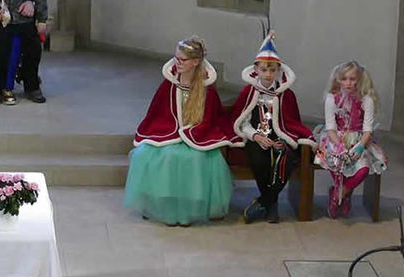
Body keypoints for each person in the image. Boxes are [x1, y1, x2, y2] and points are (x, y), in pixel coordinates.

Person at [123, 36, 236, 226]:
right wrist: (173, 133)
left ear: (195, 62)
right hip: (168, 134)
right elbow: (157, 114)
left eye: (182, 60)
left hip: (197, 137)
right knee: (158, 156)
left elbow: (209, 119)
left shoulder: (207, 90)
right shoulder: (169, 84)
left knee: (192, 159)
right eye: (176, 58)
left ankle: (186, 210)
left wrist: (190, 134)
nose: (178, 63)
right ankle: (161, 206)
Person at [230, 32, 314, 224]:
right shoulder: (249, 91)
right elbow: (242, 121)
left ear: (278, 71)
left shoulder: (286, 94)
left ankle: (265, 201)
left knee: (287, 157)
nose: (268, 74)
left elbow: (291, 122)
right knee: (259, 160)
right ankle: (272, 203)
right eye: (264, 70)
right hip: (256, 137)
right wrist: (256, 136)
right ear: (256, 70)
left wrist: (282, 140)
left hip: (279, 136)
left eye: (272, 70)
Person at [314, 60, 388, 218]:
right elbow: (331, 127)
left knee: (363, 169)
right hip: (335, 138)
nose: (348, 83)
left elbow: (367, 129)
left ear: (359, 79)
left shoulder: (366, 99)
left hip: (359, 139)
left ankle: (339, 194)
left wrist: (360, 146)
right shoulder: (332, 98)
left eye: (352, 79)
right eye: (344, 79)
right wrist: (339, 146)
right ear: (338, 79)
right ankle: (344, 197)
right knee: (336, 162)